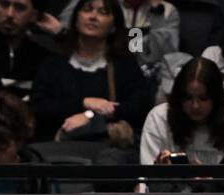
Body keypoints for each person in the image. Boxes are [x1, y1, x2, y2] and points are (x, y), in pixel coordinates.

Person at [31, 0, 152, 145]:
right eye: (87, 10)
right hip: (57, 147)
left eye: (103, 12)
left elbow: (139, 107)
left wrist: (90, 116)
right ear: (75, 19)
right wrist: (84, 103)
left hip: (109, 149)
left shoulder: (124, 64)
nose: (93, 17)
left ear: (114, 27)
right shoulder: (54, 64)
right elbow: (39, 107)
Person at [139, 56, 224, 165]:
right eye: (188, 98)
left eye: (203, 98)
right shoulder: (159, 118)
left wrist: (210, 184)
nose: (195, 106)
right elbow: (145, 176)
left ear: (216, 98)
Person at [60, 0, 178, 78]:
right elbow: (69, 31)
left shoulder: (165, 10)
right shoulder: (101, 4)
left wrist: (157, 12)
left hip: (147, 75)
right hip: (100, 67)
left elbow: (168, 53)